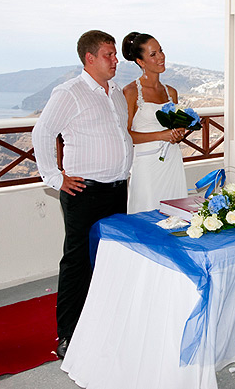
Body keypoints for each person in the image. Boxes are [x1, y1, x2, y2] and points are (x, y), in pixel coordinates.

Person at [32, 30, 133, 359]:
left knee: (109, 258)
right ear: (90, 58)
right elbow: (43, 131)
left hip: (117, 189)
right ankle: (68, 335)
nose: (116, 60)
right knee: (77, 262)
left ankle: (102, 322)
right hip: (84, 192)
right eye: (109, 55)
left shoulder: (116, 92)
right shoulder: (70, 92)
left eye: (115, 54)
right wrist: (54, 177)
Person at [121, 32, 188, 213]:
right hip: (147, 166)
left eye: (160, 51)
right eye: (153, 54)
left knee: (175, 214)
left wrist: (179, 132)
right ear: (140, 62)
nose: (161, 57)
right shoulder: (130, 92)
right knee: (147, 215)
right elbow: (125, 135)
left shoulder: (171, 92)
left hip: (172, 160)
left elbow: (175, 125)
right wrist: (162, 135)